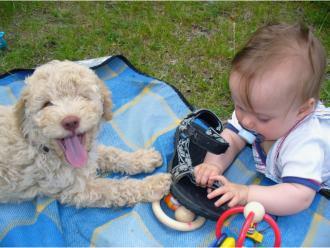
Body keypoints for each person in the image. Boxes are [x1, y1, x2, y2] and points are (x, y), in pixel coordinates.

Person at [194, 23, 329, 216]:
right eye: (240, 106)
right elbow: (232, 138)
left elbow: (299, 196)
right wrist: (213, 165)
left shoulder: (306, 144)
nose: (247, 121)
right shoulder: (258, 110)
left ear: (302, 111)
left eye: (263, 118)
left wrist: (247, 193)